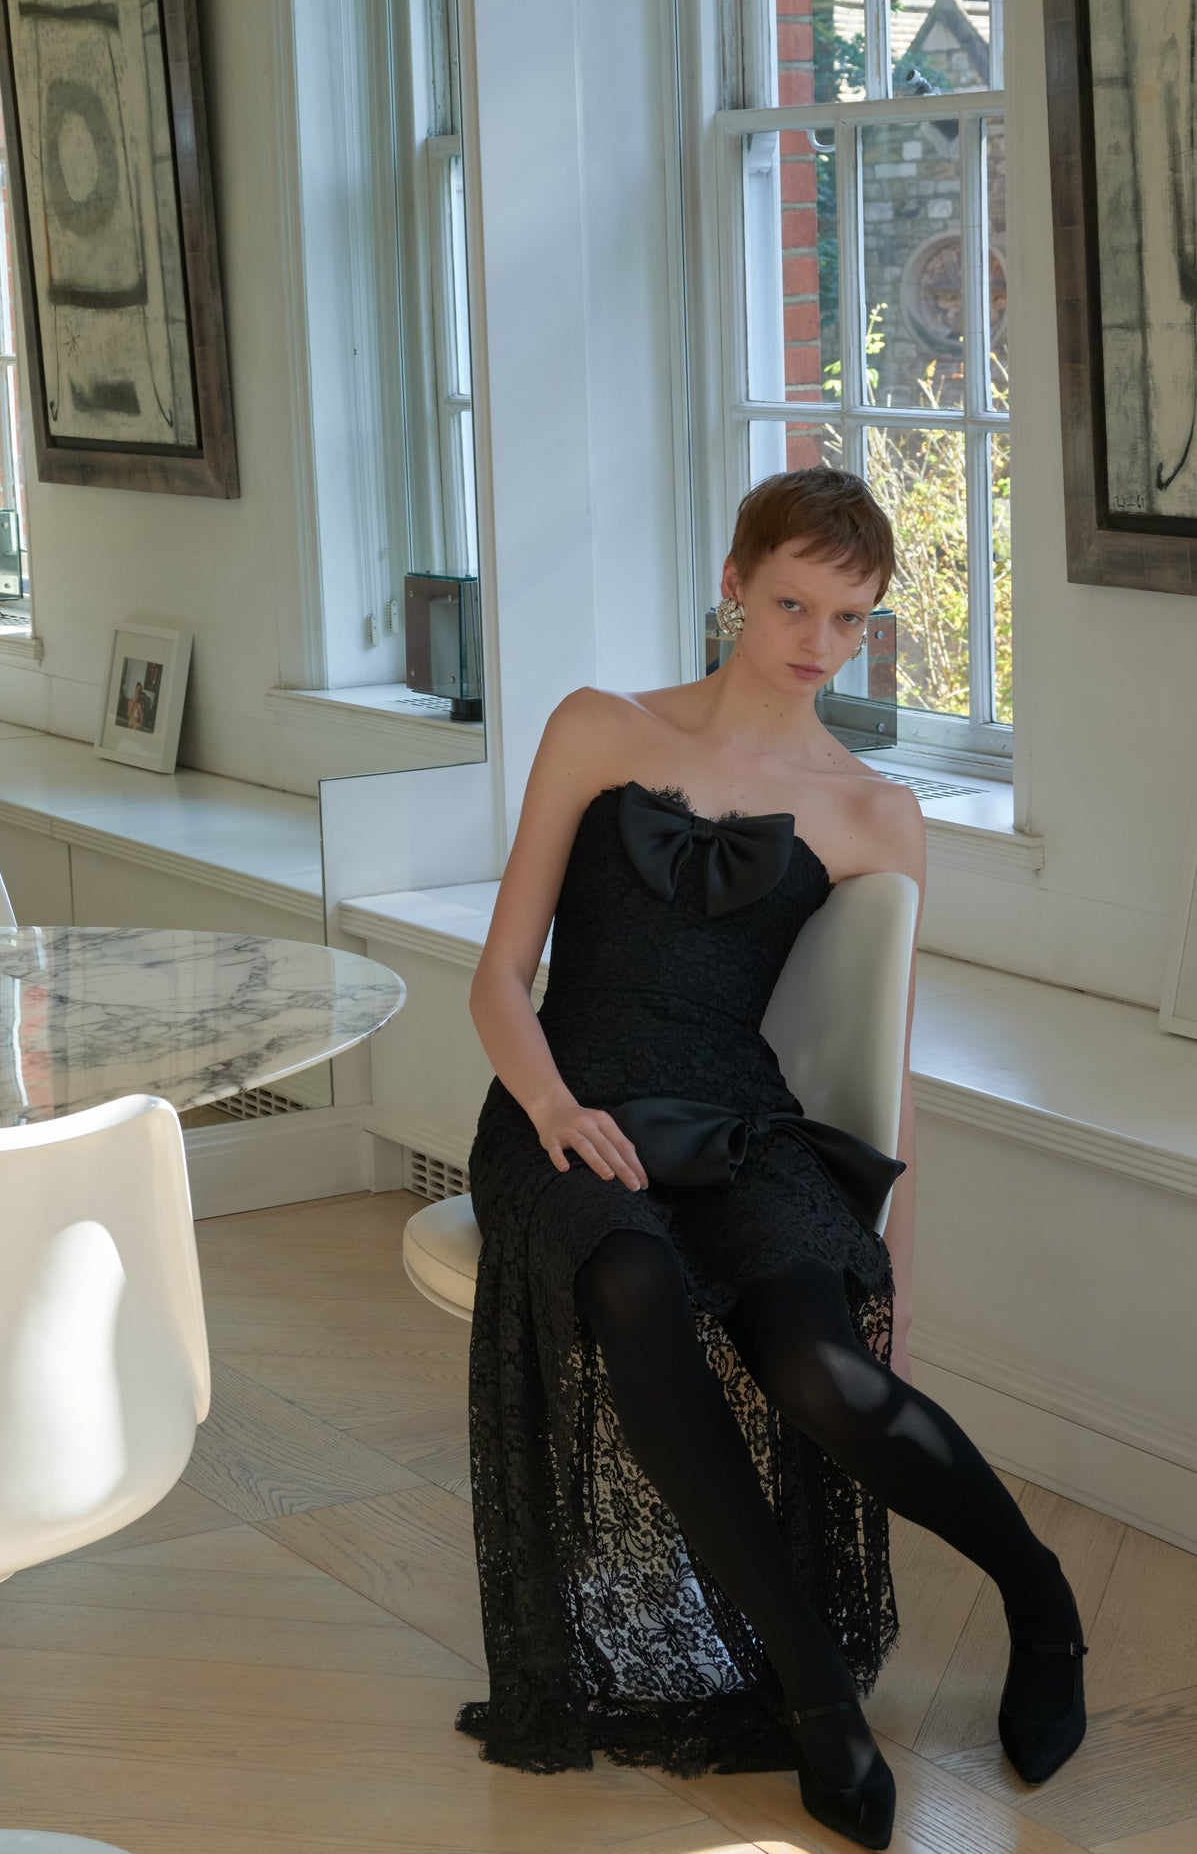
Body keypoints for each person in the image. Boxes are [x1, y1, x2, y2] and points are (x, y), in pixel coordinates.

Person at [455, 468, 1087, 1849]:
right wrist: (553, 1107)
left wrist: (894, 1275)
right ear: (735, 582)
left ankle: (1039, 1597)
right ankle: (815, 1696)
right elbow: (500, 978)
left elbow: (889, 1073)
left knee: (825, 1375)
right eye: (794, 604)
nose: (819, 641)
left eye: (850, 618)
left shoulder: (874, 812)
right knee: (631, 1282)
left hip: (737, 1118)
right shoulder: (597, 727)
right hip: (564, 1104)